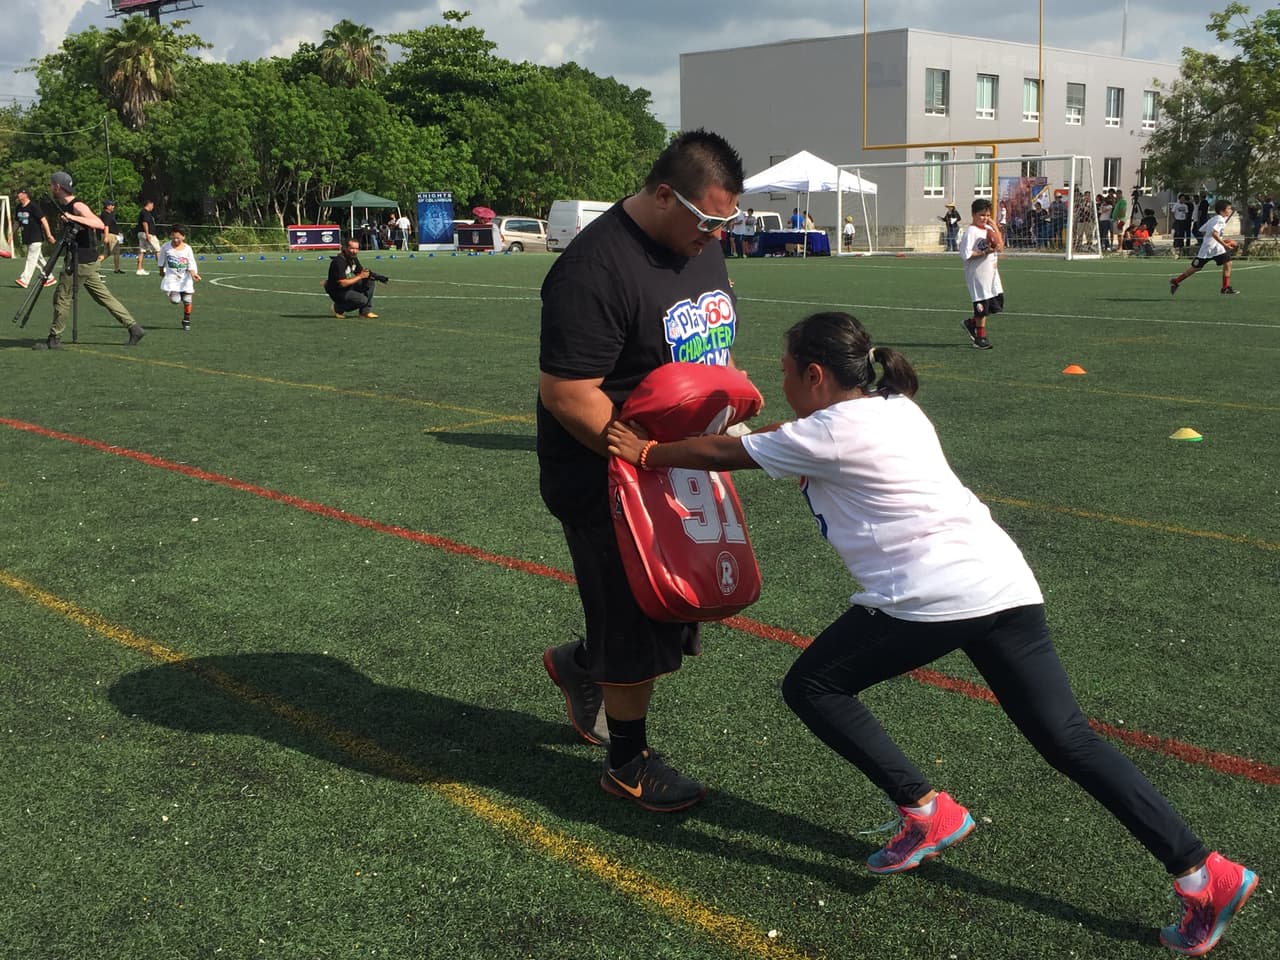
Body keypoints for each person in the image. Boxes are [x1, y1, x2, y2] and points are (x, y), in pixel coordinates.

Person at [606, 310, 1258, 958]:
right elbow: (780, 437)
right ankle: (1203, 872)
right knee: (1069, 739)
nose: (781, 383)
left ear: (815, 374)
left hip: (929, 597)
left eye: (785, 370)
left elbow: (724, 453)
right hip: (1004, 583)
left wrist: (649, 453)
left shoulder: (826, 433)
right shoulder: (896, 408)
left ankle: (925, 811)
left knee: (813, 687)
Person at [537, 128, 744, 813]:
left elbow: (708, 344)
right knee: (632, 618)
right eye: (708, 220)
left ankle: (580, 662)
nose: (717, 235)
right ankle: (626, 762)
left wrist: (724, 419)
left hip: (674, 458)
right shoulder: (594, 268)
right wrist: (641, 459)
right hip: (606, 470)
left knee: (676, 606)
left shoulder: (698, 245)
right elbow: (570, 394)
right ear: (663, 195)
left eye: (725, 222)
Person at [32, 171, 145, 350]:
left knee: (62, 296)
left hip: (81, 261)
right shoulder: (67, 205)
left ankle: (54, 338)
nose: (50, 187)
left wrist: (72, 217)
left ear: (58, 186)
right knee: (104, 297)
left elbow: (99, 223)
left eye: (51, 184)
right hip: (85, 260)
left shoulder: (77, 205)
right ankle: (134, 328)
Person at [1170, 199, 1239, 296]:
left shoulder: (1214, 218)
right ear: (1222, 211)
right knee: (1196, 268)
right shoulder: (1220, 220)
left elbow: (1202, 229)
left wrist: (1219, 240)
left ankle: (1225, 288)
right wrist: (1225, 244)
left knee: (1228, 263)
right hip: (1209, 248)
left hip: (1216, 248)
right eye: (1229, 208)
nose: (1230, 210)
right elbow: (1214, 233)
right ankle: (1176, 281)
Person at [958, 198, 1002, 350]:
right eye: (982, 215)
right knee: (981, 305)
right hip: (978, 274)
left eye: (988, 215)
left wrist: (995, 227)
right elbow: (966, 255)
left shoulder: (988, 229)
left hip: (992, 274)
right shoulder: (971, 231)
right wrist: (984, 252)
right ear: (973, 214)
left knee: (996, 304)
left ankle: (971, 323)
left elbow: (1000, 247)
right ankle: (980, 338)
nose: (985, 218)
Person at [158, 224, 201, 331]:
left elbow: (191, 263)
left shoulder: (187, 249)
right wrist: (161, 271)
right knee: (175, 301)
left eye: (178, 237)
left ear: (183, 237)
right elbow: (161, 261)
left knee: (187, 299)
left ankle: (186, 320)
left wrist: (194, 274)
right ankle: (175, 293)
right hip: (172, 278)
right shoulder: (166, 247)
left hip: (185, 278)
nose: (175, 240)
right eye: (173, 237)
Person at [325, 237, 380, 318]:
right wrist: (361, 276)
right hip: (338, 291)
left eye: (357, 249)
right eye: (352, 248)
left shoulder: (352, 258)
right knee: (362, 300)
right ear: (345, 248)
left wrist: (374, 276)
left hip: (348, 287)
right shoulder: (339, 261)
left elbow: (360, 272)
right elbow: (343, 283)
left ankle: (365, 312)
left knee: (370, 281)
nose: (355, 251)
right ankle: (337, 308)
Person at [14, 187, 57, 289]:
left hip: (36, 237)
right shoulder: (18, 208)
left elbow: (44, 220)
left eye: (20, 193)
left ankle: (24, 280)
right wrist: (11, 235)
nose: (18, 195)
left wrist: (49, 235)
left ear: (25, 195)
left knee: (31, 258)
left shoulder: (33, 206)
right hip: (27, 238)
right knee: (38, 260)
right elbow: (16, 222)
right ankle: (50, 277)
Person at [135, 200, 161, 276]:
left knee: (142, 250)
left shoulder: (143, 212)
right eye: (152, 205)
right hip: (147, 234)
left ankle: (139, 269)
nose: (153, 207)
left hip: (141, 233)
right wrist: (147, 234)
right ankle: (162, 268)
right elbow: (145, 223)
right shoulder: (145, 212)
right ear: (148, 204)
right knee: (157, 250)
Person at [99, 199, 124, 273]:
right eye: (112, 205)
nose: (113, 206)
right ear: (107, 206)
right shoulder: (105, 214)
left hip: (111, 235)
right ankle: (116, 269)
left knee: (107, 253)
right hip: (110, 235)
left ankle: (116, 269)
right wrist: (106, 237)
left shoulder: (110, 214)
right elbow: (106, 226)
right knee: (115, 252)